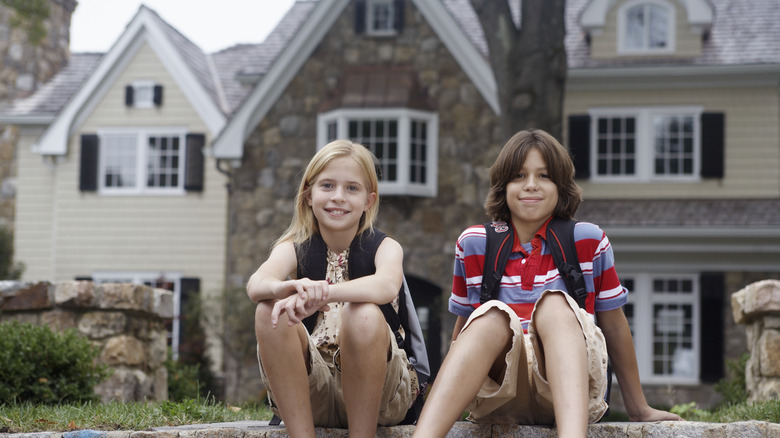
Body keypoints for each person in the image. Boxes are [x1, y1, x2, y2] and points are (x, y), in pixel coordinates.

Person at [412, 129, 682, 438]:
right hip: (500, 391)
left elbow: (615, 324)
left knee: (555, 304)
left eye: (543, 176)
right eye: (519, 175)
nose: (530, 185)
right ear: (503, 186)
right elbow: (464, 332)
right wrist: (449, 406)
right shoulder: (475, 243)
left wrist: (638, 408)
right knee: (490, 318)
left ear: (561, 186)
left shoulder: (588, 240)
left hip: (569, 388)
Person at [246, 140, 418, 438]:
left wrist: (324, 293)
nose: (338, 197)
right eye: (327, 186)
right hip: (312, 389)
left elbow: (386, 285)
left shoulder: (385, 247)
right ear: (308, 195)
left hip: (381, 395)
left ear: (369, 200)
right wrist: (287, 287)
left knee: (362, 313)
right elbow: (256, 284)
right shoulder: (294, 249)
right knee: (268, 308)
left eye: (352, 188)